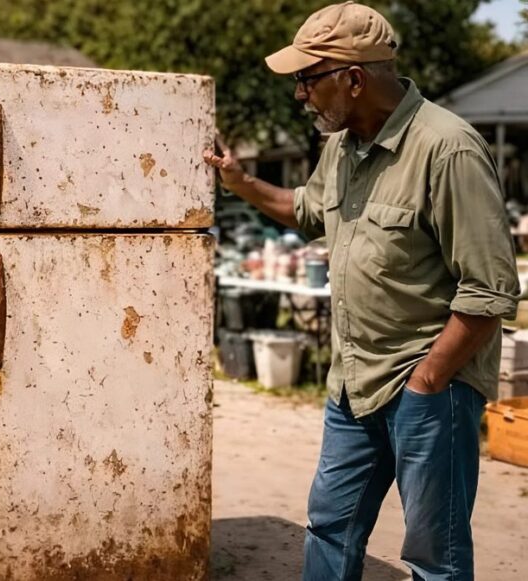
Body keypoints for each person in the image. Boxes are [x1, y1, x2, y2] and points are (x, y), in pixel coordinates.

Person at [203, 2, 520, 580]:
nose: (300, 95)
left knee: (434, 557)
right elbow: (305, 209)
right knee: (328, 526)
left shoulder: (448, 149)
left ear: (352, 78)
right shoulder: (342, 148)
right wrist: (240, 180)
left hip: (428, 388)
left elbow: (490, 291)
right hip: (351, 385)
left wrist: (428, 381)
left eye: (306, 78)